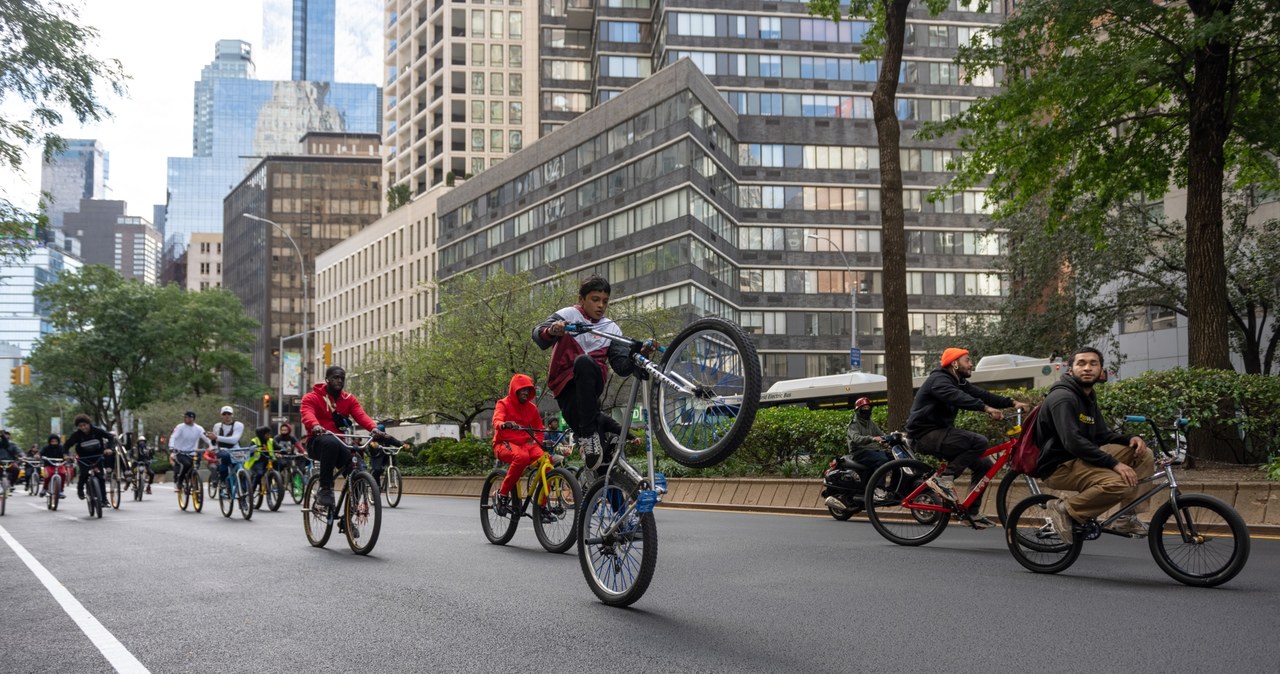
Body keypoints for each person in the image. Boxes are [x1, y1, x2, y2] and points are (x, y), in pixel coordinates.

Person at [1033, 347, 1154, 544]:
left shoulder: (1087, 396)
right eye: (1081, 363)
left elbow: (1101, 435)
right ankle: (1063, 509)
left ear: (1101, 370)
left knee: (1143, 453)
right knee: (1119, 484)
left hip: (1080, 458)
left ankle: (1126, 517)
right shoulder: (1063, 398)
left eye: (1093, 363)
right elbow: (1072, 442)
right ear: (1070, 370)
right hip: (1059, 466)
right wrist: (1114, 464)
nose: (1087, 368)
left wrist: (1130, 438)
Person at [531, 275, 653, 470]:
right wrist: (553, 330)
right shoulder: (567, 314)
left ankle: (588, 437)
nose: (601, 306)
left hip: (592, 383)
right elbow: (538, 334)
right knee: (599, 464)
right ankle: (592, 476)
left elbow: (621, 367)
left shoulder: (611, 328)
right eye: (595, 300)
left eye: (605, 301)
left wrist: (641, 353)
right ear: (581, 299)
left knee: (585, 362)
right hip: (565, 387)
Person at [905, 347, 1030, 529]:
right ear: (954, 364)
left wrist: (1012, 402)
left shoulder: (959, 381)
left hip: (940, 433)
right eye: (967, 360)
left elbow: (982, 395)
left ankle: (970, 512)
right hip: (923, 435)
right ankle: (944, 479)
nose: (971, 364)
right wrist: (985, 409)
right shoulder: (938, 380)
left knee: (984, 464)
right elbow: (958, 397)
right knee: (979, 441)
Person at [300, 365, 395, 509]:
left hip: (340, 444)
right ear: (327, 379)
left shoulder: (349, 399)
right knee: (330, 443)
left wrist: (374, 428)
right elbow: (307, 413)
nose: (339, 380)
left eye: (342, 378)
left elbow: (360, 415)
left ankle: (350, 514)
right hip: (317, 442)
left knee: (357, 470)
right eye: (335, 377)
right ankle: (325, 489)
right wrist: (315, 425)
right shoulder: (312, 397)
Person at [491, 373, 545, 516]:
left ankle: (542, 506)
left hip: (524, 445)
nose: (526, 392)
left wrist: (538, 445)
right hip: (503, 443)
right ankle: (502, 494)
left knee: (546, 460)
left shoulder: (532, 408)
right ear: (514, 390)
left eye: (528, 389)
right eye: (522, 389)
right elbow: (496, 420)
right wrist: (503, 424)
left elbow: (539, 429)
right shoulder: (503, 404)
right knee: (521, 458)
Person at [64, 414, 115, 502]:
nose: (83, 428)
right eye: (80, 426)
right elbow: (67, 445)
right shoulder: (76, 435)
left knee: (100, 477)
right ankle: (80, 489)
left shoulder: (97, 431)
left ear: (89, 423)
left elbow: (110, 437)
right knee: (84, 474)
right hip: (84, 458)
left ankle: (104, 499)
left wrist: (109, 448)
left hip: (98, 456)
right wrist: (65, 455)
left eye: (85, 425)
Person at [206, 406, 245, 494]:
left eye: (229, 414)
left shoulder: (238, 425)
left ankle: (245, 495)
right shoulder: (217, 426)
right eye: (224, 414)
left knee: (242, 472)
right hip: (221, 450)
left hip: (236, 450)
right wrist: (212, 447)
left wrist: (216, 437)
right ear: (221, 415)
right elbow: (213, 441)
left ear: (232, 415)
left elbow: (234, 440)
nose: (227, 416)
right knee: (224, 457)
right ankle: (223, 481)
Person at [169, 411, 210, 492]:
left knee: (194, 468)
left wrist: (212, 446)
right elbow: (173, 437)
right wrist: (171, 447)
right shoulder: (180, 427)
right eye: (185, 417)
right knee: (186, 464)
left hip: (192, 452)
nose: (186, 419)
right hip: (180, 452)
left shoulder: (199, 428)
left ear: (193, 418)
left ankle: (192, 482)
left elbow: (207, 439)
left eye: (188, 417)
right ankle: (180, 480)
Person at [40, 434, 68, 498]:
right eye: (52, 441)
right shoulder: (46, 448)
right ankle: (45, 488)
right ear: (49, 442)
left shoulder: (61, 447)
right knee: (48, 475)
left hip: (59, 465)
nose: (54, 443)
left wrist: (66, 456)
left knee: (63, 474)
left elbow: (65, 453)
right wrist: (39, 456)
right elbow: (41, 453)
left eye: (55, 441)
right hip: (49, 465)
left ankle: (61, 491)